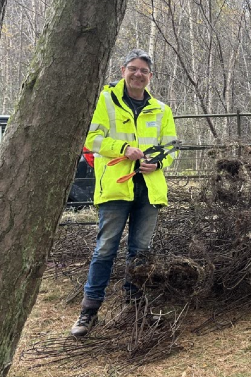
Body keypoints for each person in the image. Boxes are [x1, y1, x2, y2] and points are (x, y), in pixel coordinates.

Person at [71, 49, 179, 337]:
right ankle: (89, 312)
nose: (138, 74)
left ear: (150, 76)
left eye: (143, 70)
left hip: (149, 189)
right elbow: (91, 138)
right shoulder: (105, 101)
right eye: (133, 68)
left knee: (140, 252)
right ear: (123, 71)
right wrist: (122, 149)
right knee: (105, 249)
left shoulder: (161, 110)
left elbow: (171, 148)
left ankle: (135, 308)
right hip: (116, 187)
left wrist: (158, 163)